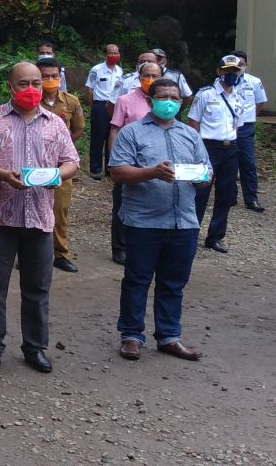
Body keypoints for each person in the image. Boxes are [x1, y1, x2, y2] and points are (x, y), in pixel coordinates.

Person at [0, 62, 80, 374]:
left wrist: (58, 174)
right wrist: (4, 174)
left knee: (38, 286)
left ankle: (35, 347)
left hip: (41, 218)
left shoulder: (55, 123)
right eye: (24, 83)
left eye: (36, 82)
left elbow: (72, 161)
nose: (32, 89)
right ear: (10, 86)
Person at [108, 77, 211, 362]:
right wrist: (152, 172)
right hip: (143, 222)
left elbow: (206, 171)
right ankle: (131, 336)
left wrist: (203, 178)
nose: (169, 102)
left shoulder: (190, 135)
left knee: (174, 282)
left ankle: (169, 337)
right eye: (163, 97)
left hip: (183, 222)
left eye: (174, 98)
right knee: (137, 280)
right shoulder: (131, 133)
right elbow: (117, 171)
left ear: (181, 102)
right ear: (150, 101)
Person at [106, 61, 164, 265]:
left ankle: (146, 245)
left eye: (155, 76)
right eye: (146, 75)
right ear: (138, 78)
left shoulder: (164, 102)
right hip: (129, 160)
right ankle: (119, 247)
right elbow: (115, 128)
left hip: (155, 161)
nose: (150, 79)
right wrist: (114, 160)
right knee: (121, 204)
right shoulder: (125, 100)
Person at [187, 55, 246, 253]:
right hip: (208, 147)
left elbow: (238, 125)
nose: (231, 74)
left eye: (235, 71)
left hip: (231, 148)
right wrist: (197, 149)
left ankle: (215, 236)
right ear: (219, 71)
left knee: (226, 194)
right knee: (200, 193)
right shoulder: (205, 95)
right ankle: (190, 234)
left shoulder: (239, 96)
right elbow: (193, 122)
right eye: (227, 70)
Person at [38, 57, 85, 272]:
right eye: (44, 76)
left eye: (54, 76)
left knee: (60, 210)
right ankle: (32, 253)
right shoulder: (30, 100)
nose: (49, 80)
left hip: (61, 167)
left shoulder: (71, 102)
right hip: (34, 163)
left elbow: (78, 129)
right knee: (33, 209)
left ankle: (61, 253)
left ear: (60, 77)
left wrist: (61, 147)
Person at [232, 51, 267, 212]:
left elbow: (260, 103)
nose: (238, 67)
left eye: (242, 63)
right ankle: (230, 196)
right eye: (235, 63)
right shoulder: (223, 81)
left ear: (245, 65)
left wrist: (249, 116)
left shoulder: (254, 82)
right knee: (228, 162)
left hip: (245, 127)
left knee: (248, 162)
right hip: (227, 126)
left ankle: (251, 198)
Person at [84, 44, 123, 180]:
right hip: (100, 105)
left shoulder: (120, 71)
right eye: (110, 53)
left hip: (116, 105)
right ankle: (95, 169)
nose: (113, 55)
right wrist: (93, 106)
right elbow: (89, 89)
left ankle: (109, 167)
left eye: (116, 53)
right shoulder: (97, 70)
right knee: (98, 137)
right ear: (105, 54)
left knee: (112, 136)